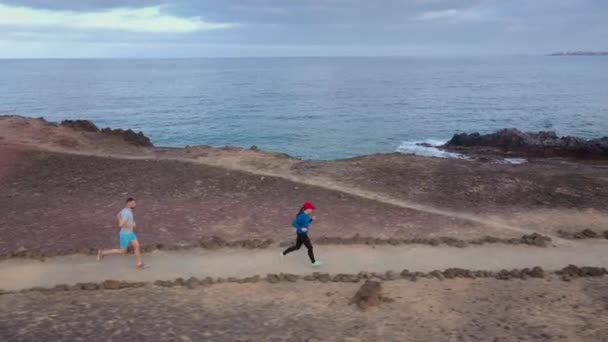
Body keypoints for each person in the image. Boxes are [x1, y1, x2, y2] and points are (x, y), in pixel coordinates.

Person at [97, 197, 145, 269]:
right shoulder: (126, 213)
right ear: (129, 203)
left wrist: (127, 222)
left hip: (131, 233)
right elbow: (121, 225)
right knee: (122, 251)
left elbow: (118, 215)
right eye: (133, 203)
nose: (135, 204)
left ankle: (139, 263)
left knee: (137, 246)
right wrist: (132, 225)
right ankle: (102, 253)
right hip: (124, 235)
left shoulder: (125, 210)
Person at [281, 202, 322, 267]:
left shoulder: (307, 215)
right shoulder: (301, 216)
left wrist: (311, 219)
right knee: (310, 247)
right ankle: (313, 263)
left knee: (297, 247)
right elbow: (293, 224)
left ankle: (283, 254)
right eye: (311, 209)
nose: (312, 210)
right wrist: (301, 228)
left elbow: (306, 223)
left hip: (300, 234)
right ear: (307, 209)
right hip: (302, 235)